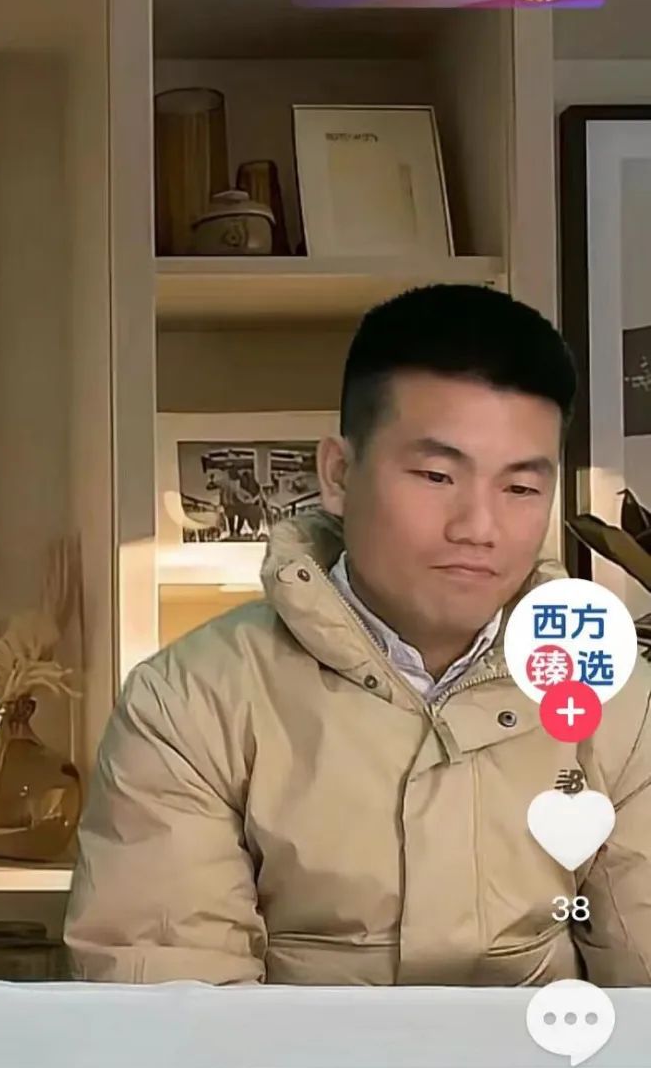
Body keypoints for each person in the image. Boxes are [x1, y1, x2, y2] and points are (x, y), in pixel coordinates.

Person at [65, 283, 651, 987]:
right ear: (339, 475)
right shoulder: (191, 701)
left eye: (520, 489)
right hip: (286, 1064)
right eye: (436, 475)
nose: (479, 527)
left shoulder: (617, 697)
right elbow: (178, 1007)